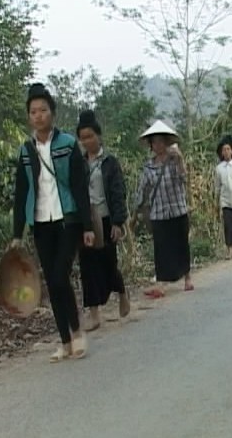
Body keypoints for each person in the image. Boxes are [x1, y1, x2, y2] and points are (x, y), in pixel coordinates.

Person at [10, 83, 95, 363]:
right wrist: (17, 233)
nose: (38, 116)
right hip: (40, 222)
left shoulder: (68, 144)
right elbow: (21, 192)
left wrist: (87, 226)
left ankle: (77, 332)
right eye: (33, 111)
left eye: (43, 110)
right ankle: (64, 341)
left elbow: (80, 188)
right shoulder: (26, 151)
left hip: (66, 219)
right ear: (29, 116)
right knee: (52, 281)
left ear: (52, 113)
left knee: (60, 276)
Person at [75, 110, 130, 331]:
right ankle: (94, 313)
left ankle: (122, 293)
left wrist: (118, 222)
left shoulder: (109, 162)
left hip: (106, 219)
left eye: (90, 136)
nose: (87, 141)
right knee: (88, 267)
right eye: (83, 137)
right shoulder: (78, 164)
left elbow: (118, 192)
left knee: (109, 262)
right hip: (86, 222)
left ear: (99, 136)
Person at [132, 120, 193, 298]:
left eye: (160, 141)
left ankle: (187, 277)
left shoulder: (175, 161)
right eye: (154, 142)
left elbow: (183, 180)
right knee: (161, 248)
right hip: (158, 213)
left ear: (166, 142)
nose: (157, 145)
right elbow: (142, 190)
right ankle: (161, 283)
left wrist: (180, 159)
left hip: (177, 209)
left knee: (181, 244)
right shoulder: (148, 166)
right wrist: (135, 213)